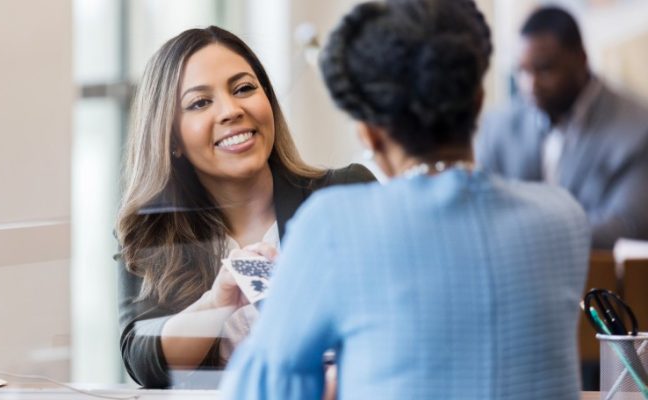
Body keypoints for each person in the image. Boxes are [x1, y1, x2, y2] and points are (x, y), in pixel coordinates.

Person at [221, 1, 590, 399]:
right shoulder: (563, 218)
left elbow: (263, 390)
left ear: (368, 133)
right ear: (479, 101)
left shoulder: (334, 224)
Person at [115, 26, 375, 388]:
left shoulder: (345, 193)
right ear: (172, 138)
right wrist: (216, 302)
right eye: (200, 103)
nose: (231, 110)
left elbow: (402, 323)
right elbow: (142, 361)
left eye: (243, 89)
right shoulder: (151, 230)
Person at [475, 6, 648, 249]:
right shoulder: (498, 127)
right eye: (522, 71)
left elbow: (628, 224)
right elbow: (479, 210)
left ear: (581, 59)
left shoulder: (637, 127)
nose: (530, 85)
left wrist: (524, 233)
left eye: (545, 69)